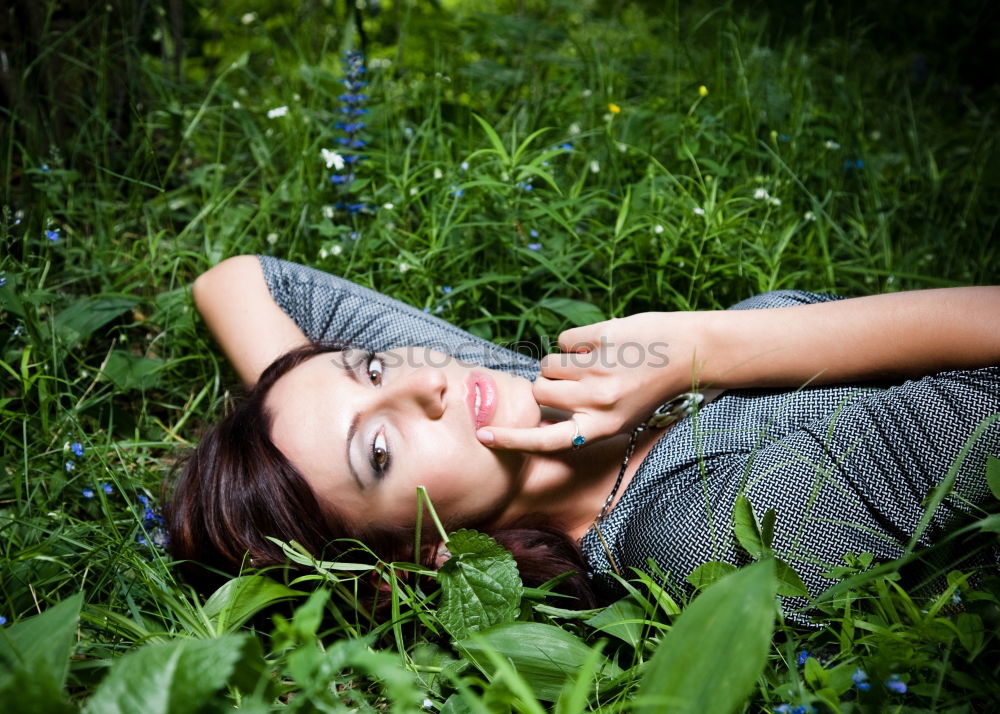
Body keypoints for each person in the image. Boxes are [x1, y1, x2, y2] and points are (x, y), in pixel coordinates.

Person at [167, 255, 1000, 613]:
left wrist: (311, 427)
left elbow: (237, 281)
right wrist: (707, 346)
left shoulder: (526, 403)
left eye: (374, 367)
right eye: (379, 454)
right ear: (423, 556)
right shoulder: (707, 536)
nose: (431, 381)